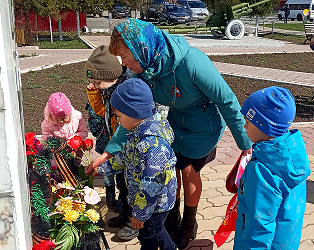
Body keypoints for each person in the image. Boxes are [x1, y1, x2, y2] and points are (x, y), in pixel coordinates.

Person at [92, 18, 253, 250]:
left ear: (140, 49)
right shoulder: (146, 70)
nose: (125, 65)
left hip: (203, 124)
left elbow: (226, 100)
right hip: (176, 121)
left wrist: (244, 143)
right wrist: (108, 154)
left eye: (125, 57)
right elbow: (129, 119)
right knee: (170, 169)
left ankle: (189, 223)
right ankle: (171, 217)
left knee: (188, 169)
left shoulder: (192, 62)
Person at [87, 78, 178, 249]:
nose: (119, 122)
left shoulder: (153, 147)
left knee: (148, 236)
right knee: (157, 231)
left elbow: (151, 186)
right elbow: (126, 157)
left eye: (119, 116)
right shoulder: (137, 131)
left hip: (155, 204)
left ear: (134, 113)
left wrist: (140, 215)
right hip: (147, 203)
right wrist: (103, 168)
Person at [233, 86, 311, 250]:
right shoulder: (289, 156)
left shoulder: (262, 170)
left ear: (264, 126)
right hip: (284, 242)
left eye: (248, 122)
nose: (244, 127)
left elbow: (259, 225)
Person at [83, 45, 139, 240]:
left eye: (97, 82)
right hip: (119, 143)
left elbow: (127, 125)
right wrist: (94, 93)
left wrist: (106, 155)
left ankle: (135, 221)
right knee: (122, 183)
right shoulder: (109, 88)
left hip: (132, 145)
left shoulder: (128, 88)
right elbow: (101, 112)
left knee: (133, 186)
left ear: (111, 75)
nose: (95, 85)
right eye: (92, 82)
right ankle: (124, 214)